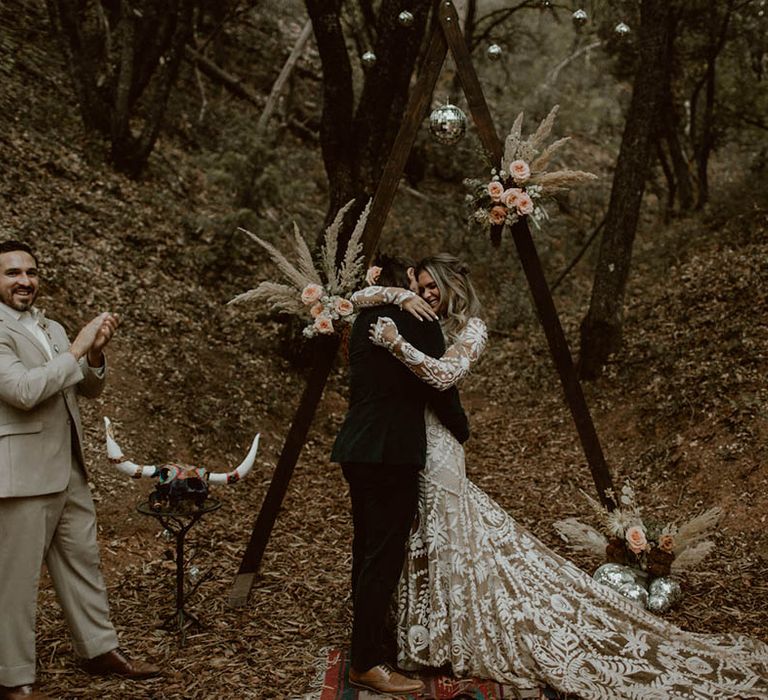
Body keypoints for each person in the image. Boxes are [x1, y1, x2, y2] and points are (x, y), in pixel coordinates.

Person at [365, 252, 768, 699]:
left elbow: (443, 377)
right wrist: (395, 295)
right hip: (405, 440)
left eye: (429, 286)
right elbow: (355, 302)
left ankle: (455, 633)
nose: (425, 294)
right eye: (418, 287)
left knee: (447, 534)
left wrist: (395, 343)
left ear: (450, 284)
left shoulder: (472, 328)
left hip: (438, 446)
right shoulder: (419, 316)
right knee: (419, 536)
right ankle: (422, 636)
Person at [0, 241, 159, 700]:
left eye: (30, 271)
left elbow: (84, 387)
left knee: (83, 562)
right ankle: (12, 677)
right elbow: (24, 391)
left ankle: (98, 649)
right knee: (15, 580)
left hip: (68, 467)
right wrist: (76, 349)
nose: (24, 280)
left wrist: (92, 356)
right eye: (12, 273)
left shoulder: (50, 325)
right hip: (20, 474)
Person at [331, 254, 470, 696]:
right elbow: (441, 390)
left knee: (365, 549)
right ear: (407, 281)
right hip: (393, 453)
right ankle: (368, 662)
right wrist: (462, 431)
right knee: (383, 558)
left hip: (356, 447)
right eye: (418, 282)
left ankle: (370, 643)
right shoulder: (421, 321)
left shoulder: (361, 321)